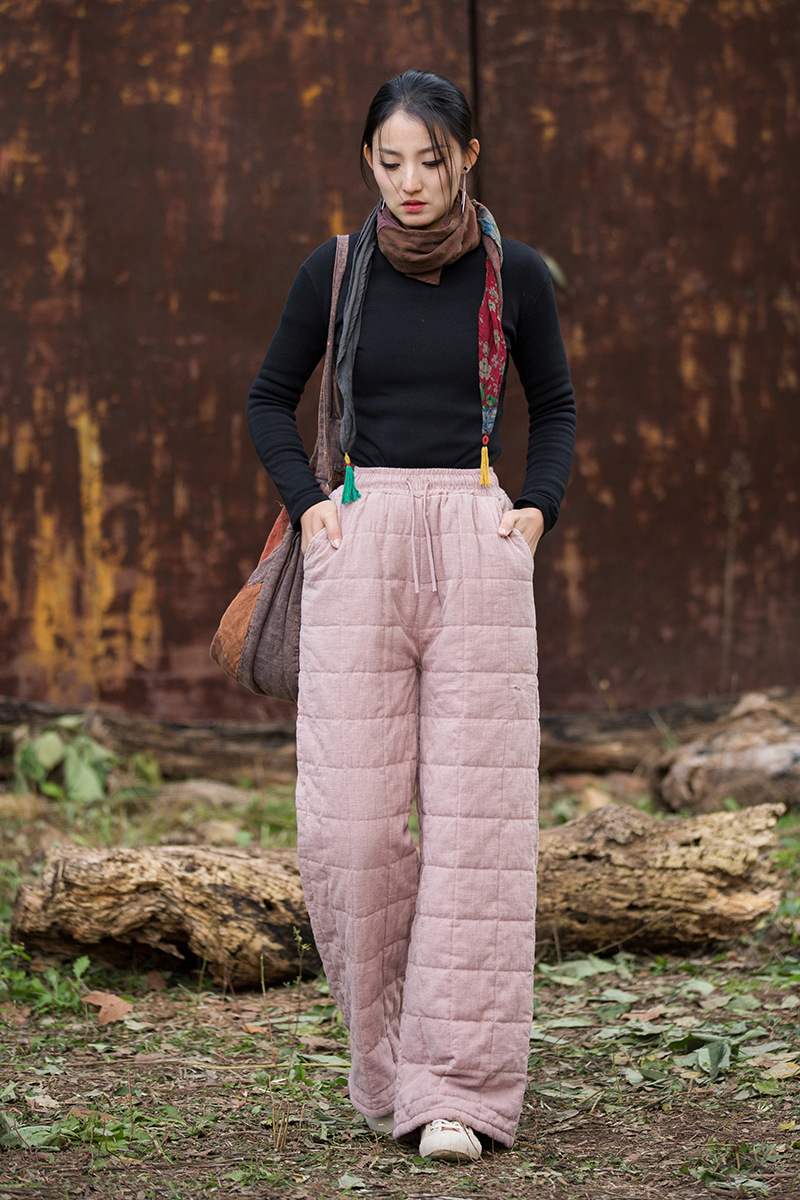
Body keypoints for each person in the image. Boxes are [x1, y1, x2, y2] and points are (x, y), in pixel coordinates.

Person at [247, 69, 576, 1162]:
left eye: (429, 160)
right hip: (361, 536)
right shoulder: (336, 269)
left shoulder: (515, 274)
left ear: (466, 155)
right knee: (347, 832)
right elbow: (268, 399)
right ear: (367, 162)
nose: (409, 182)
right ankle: (387, 1067)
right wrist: (311, 510)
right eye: (388, 162)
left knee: (478, 834)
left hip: (477, 541)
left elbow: (556, 406)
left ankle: (458, 1093)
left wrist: (533, 515)